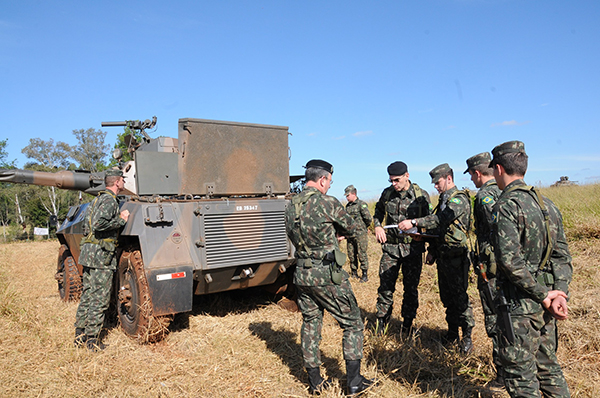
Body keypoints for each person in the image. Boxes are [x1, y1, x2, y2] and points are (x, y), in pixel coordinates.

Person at [489, 141, 572, 398]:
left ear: (499, 169)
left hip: (519, 304)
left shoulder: (506, 205)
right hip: (546, 299)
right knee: (548, 366)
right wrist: (558, 292)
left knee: (520, 374)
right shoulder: (547, 205)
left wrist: (543, 294)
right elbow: (562, 255)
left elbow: (510, 261)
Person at [285, 159, 374, 396]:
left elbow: (296, 236)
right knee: (353, 323)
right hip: (326, 274)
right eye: (329, 182)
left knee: (311, 323)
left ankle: (315, 383)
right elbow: (355, 228)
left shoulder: (291, 206)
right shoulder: (327, 202)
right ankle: (354, 382)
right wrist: (336, 235)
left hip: (302, 274)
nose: (329, 187)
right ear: (322, 179)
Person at [398, 163, 475, 353]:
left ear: (449, 178)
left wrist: (414, 222)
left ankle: (467, 337)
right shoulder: (443, 199)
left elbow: (441, 220)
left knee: (460, 297)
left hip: (456, 256)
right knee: (447, 297)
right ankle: (452, 333)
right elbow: (438, 229)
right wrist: (430, 247)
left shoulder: (459, 199)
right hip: (443, 255)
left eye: (438, 182)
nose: (435, 186)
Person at [372, 161, 431, 335]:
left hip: (412, 249)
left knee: (410, 288)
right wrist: (377, 226)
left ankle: (407, 324)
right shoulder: (388, 193)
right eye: (391, 180)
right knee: (385, 287)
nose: (394, 184)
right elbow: (378, 212)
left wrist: (422, 233)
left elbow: (430, 221)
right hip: (390, 249)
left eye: (397, 180)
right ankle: (382, 323)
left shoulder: (421, 196)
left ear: (407, 176)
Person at [74, 168, 129, 351]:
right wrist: (121, 219)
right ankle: (93, 340)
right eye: (122, 179)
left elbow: (88, 226)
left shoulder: (97, 199)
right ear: (117, 182)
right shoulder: (109, 201)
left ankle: (80, 335)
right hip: (101, 256)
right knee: (99, 298)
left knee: (88, 295)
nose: (124, 182)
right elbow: (99, 224)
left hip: (89, 254)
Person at [465, 152, 504, 383]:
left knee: (496, 318)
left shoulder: (485, 196)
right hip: (507, 267)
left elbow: (497, 230)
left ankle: (502, 372)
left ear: (478, 173)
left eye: (471, 175)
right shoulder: (505, 191)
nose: (471, 180)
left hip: (491, 269)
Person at [344, 184, 373, 282]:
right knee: (351, 254)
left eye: (348, 195)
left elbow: (368, 218)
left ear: (353, 194)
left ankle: (364, 274)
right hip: (350, 235)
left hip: (360, 235)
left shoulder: (361, 204)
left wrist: (364, 228)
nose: (347, 198)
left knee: (362, 254)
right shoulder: (347, 207)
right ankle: (354, 273)